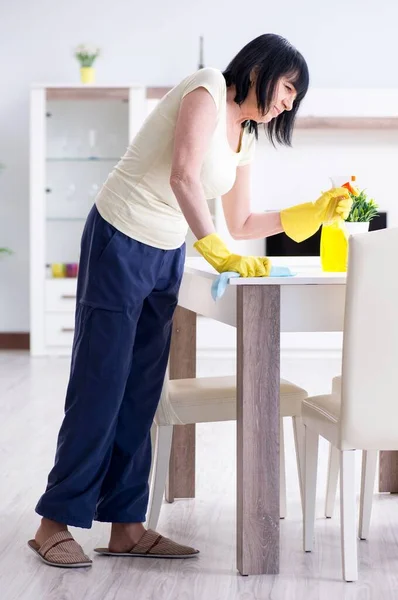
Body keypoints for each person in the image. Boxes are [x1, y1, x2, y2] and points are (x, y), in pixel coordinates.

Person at [28, 33, 351, 567]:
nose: (289, 102)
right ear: (259, 70)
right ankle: (52, 523)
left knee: (141, 392)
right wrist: (215, 251)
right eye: (289, 88)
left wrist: (309, 213)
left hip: (166, 252)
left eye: (297, 96)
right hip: (120, 236)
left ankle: (126, 528)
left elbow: (244, 222)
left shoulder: (245, 137)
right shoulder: (204, 91)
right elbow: (182, 176)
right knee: (100, 383)